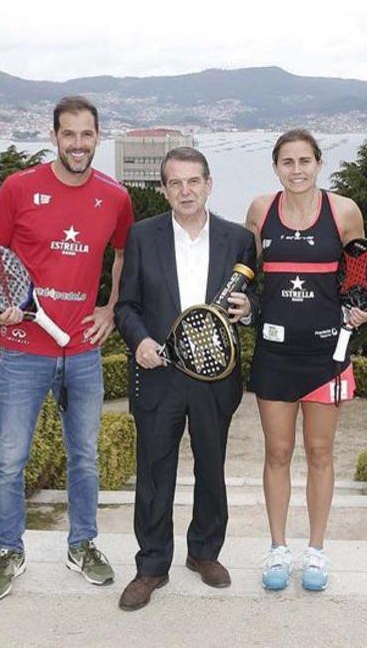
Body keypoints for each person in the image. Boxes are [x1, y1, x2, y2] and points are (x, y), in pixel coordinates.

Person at [0, 96, 133, 600]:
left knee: (85, 457)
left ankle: (82, 545)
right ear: (53, 136)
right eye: (68, 134)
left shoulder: (114, 197)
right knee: (10, 458)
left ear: (97, 137)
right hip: (23, 348)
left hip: (82, 352)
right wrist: (3, 305)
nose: (78, 144)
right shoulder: (18, 188)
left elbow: (123, 256)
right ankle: (8, 550)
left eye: (87, 135)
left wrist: (109, 308)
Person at [114, 147, 258, 611]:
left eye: (193, 181)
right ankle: (152, 565)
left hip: (216, 377)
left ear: (209, 184)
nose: (185, 191)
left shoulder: (239, 240)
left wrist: (250, 308)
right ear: (163, 190)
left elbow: (258, 297)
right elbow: (126, 307)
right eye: (175, 184)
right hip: (159, 373)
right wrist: (138, 342)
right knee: (154, 473)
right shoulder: (142, 236)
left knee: (211, 468)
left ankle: (204, 553)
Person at [243, 129, 367, 592]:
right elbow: (247, 279)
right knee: (277, 453)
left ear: (319, 163)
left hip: (326, 355)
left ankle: (315, 552)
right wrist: (246, 309)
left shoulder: (344, 211)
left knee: (320, 454)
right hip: (274, 355)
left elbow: (358, 277)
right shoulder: (260, 211)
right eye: (287, 162)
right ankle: (278, 550)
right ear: (276, 167)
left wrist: (360, 309)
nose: (296, 170)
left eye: (304, 161)